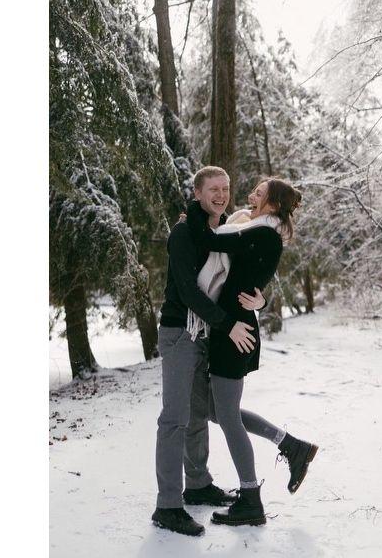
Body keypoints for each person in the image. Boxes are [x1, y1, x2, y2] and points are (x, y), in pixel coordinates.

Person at [185, 178, 319, 528]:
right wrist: (262, 300)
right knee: (218, 411)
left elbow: (210, 240)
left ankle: (250, 499)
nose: (250, 197)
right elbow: (251, 276)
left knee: (227, 417)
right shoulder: (262, 233)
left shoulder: (262, 234)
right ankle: (291, 445)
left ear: (273, 204)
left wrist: (193, 211)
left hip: (235, 332)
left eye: (258, 194)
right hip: (232, 326)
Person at [152, 166, 266, 537]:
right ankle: (168, 506)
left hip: (205, 334)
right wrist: (227, 324)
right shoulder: (185, 232)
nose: (220, 195)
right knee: (175, 419)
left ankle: (198, 484)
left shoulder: (224, 232)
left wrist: (261, 301)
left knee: (199, 415)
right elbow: (188, 291)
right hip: (180, 332)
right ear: (198, 193)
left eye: (225, 188)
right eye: (212, 189)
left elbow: (241, 279)